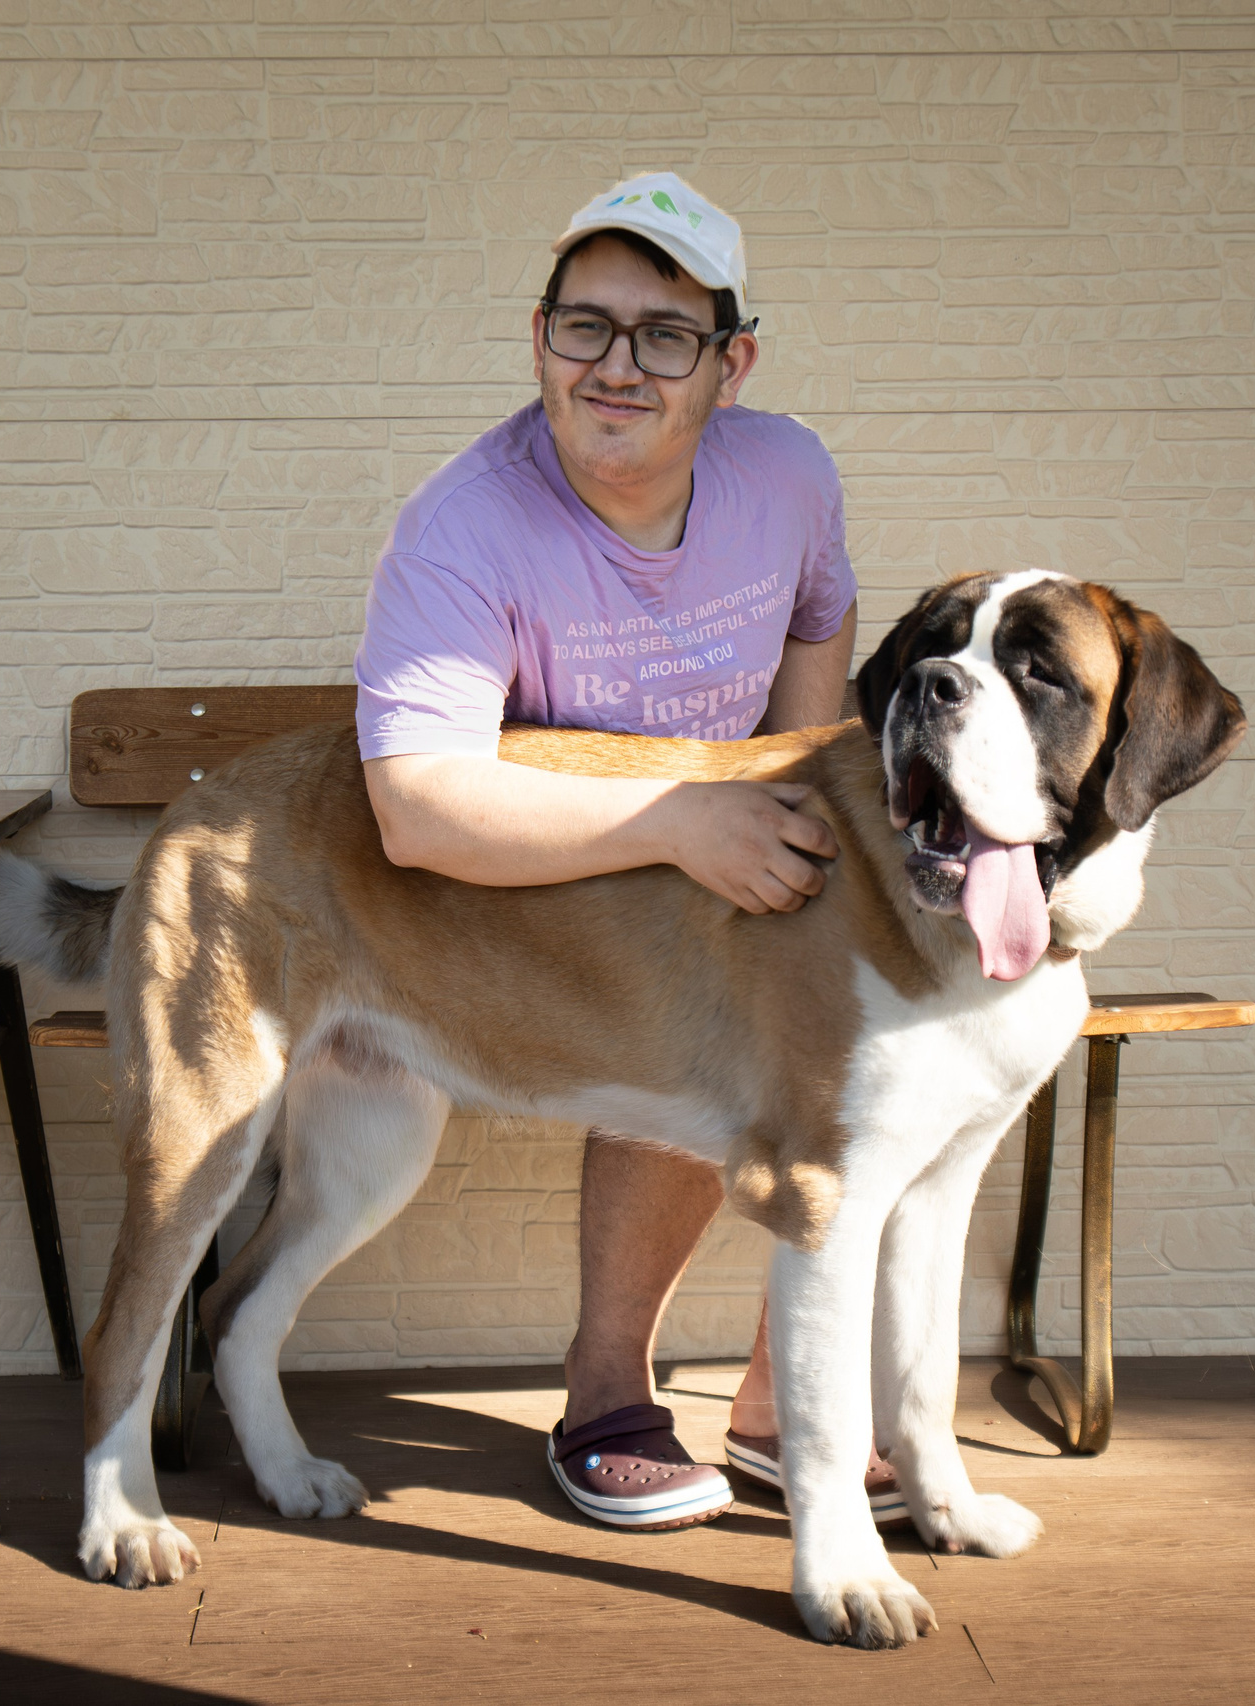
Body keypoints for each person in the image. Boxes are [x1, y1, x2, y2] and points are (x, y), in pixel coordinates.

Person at [355, 173, 893, 1530]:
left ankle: (783, 1410)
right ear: (538, 336)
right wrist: (679, 823)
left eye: (664, 333)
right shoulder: (465, 523)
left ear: (731, 363)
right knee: (711, 999)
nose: (617, 365)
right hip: (533, 874)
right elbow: (416, 808)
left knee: (874, 1003)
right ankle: (606, 1390)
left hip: (707, 832)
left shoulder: (790, 471)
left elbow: (820, 617)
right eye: (583, 325)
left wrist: (793, 804)